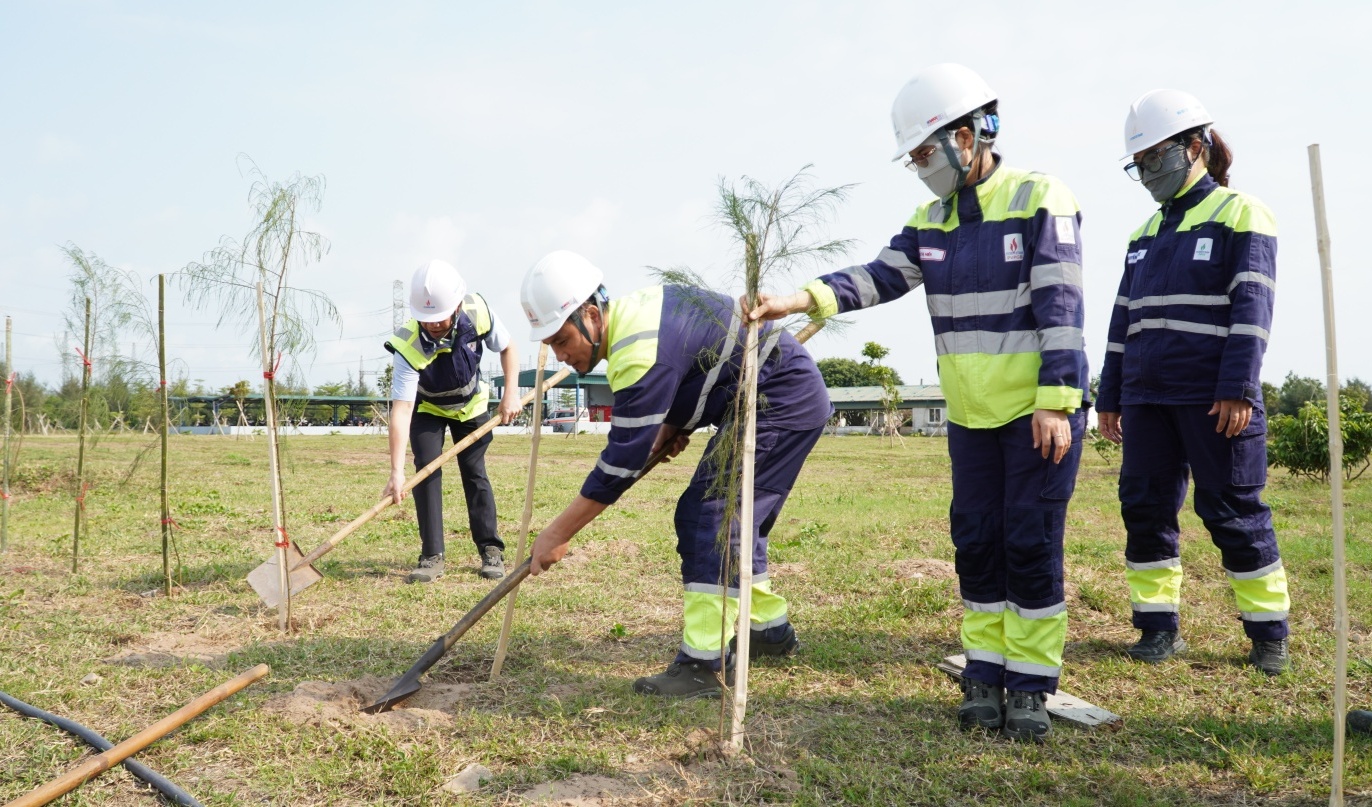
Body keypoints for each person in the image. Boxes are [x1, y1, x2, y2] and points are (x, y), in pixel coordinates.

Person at [748, 63, 1089, 742]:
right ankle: (984, 673)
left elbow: (1062, 303)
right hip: (968, 417)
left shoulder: (1039, 197)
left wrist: (1057, 400)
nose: (920, 167)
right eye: (914, 158)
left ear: (968, 136)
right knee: (977, 541)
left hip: (1035, 415)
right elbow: (878, 276)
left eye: (925, 152)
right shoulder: (931, 222)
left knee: (1030, 541)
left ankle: (1029, 684)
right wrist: (798, 298)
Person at [522, 250, 831, 699]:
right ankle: (766, 629)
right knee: (735, 521)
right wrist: (674, 423)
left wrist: (557, 533)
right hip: (765, 397)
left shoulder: (637, 351)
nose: (560, 355)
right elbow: (703, 360)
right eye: (551, 345)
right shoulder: (640, 315)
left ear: (591, 315)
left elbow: (619, 465)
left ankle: (704, 664)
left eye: (562, 340)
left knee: (711, 516)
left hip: (780, 402)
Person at [1096, 90, 1289, 675]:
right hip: (1146, 398)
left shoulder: (1240, 213)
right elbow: (1122, 321)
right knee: (1144, 508)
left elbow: (1252, 308)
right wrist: (1109, 397)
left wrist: (1238, 388)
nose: (1148, 171)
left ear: (1195, 146)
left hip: (1213, 399)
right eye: (1139, 163)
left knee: (1232, 510)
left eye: (1155, 156)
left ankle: (1268, 635)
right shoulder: (1142, 234)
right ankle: (1157, 628)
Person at [382, 259, 522, 583]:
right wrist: (395, 472)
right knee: (426, 472)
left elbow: (508, 347)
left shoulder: (477, 312)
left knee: (474, 472)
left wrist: (511, 394)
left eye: (439, 317)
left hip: (470, 406)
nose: (432, 324)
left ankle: (490, 550)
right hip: (428, 409)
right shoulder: (407, 344)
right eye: (425, 318)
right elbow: (402, 409)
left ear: (457, 306)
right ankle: (432, 556)